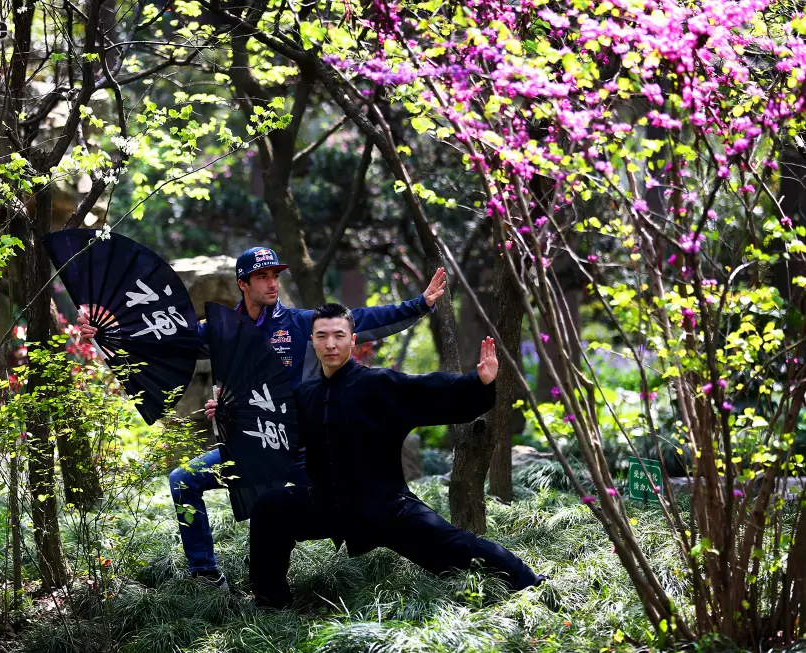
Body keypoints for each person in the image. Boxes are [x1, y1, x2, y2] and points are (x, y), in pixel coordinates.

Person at [80, 247, 449, 588]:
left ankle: (441, 555)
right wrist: (110, 334)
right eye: (262, 277)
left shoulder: (300, 323)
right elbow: (170, 340)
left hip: (301, 449)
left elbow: (364, 320)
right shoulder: (221, 329)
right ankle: (206, 574)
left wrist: (419, 304)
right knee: (182, 480)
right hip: (250, 450)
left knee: (367, 503)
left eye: (276, 275)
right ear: (243, 284)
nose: (272, 283)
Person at [244, 303, 544, 608]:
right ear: (313, 341)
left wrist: (477, 382)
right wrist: (229, 414)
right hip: (328, 505)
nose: (330, 344)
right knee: (271, 507)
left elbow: (427, 388)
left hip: (384, 507)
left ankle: (531, 583)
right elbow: (275, 430)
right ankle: (270, 599)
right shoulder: (306, 394)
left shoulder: (379, 385)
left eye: (338, 335)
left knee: (452, 545)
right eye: (321, 336)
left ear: (353, 339)